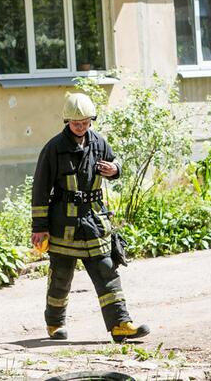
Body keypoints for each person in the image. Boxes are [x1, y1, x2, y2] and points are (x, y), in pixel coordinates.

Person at [31, 93, 150, 343]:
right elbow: (40, 190)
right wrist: (39, 228)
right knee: (60, 278)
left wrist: (114, 170)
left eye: (85, 122)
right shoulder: (53, 148)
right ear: (67, 121)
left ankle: (120, 324)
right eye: (76, 123)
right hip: (63, 224)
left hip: (94, 223)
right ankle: (54, 324)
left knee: (107, 271)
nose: (81, 127)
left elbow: (115, 163)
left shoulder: (98, 142)